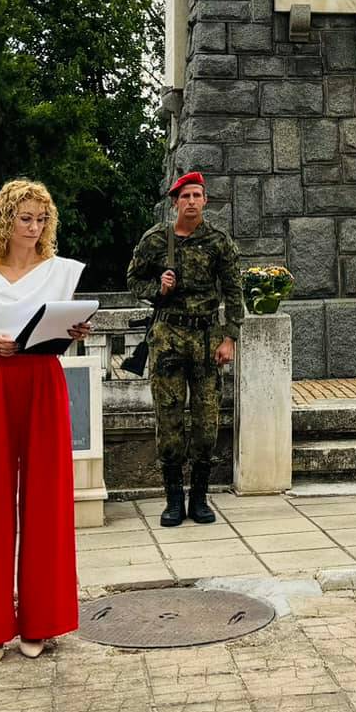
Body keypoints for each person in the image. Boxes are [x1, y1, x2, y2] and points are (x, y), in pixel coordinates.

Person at [0, 180, 91, 665]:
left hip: (43, 383)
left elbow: (63, 330)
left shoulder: (61, 272)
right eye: (25, 218)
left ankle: (39, 621)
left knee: (45, 500)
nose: (34, 228)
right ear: (5, 221)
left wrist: (74, 330)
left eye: (41, 219)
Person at [125, 171, 242, 529]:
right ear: (174, 202)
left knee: (207, 422)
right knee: (170, 420)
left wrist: (230, 337)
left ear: (205, 201)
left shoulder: (219, 242)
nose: (191, 201)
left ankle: (200, 498)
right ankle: (174, 499)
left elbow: (234, 290)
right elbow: (133, 280)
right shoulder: (155, 240)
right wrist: (157, 288)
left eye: (197, 195)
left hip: (206, 339)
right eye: (185, 196)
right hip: (168, 339)